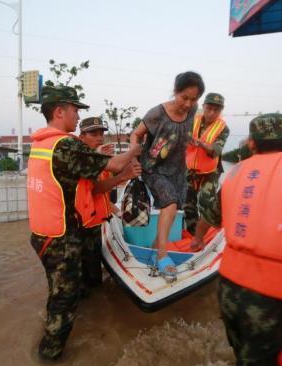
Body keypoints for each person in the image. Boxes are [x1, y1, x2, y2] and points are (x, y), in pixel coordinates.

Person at [192, 113, 282, 365]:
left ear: (251, 143)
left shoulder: (233, 173)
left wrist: (197, 240)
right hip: (269, 300)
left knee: (242, 354)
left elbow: (208, 218)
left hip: (228, 289)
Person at [27, 86, 141, 361]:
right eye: (76, 110)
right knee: (64, 300)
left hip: (44, 233)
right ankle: (48, 355)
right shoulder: (64, 144)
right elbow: (113, 165)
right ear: (59, 111)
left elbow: (95, 183)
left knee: (65, 292)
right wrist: (136, 147)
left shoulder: (41, 143)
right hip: (61, 238)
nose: (78, 116)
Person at [130, 71, 205, 277]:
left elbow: (182, 132)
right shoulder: (157, 113)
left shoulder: (193, 110)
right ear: (175, 92)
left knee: (172, 211)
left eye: (194, 99)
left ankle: (155, 247)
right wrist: (134, 158)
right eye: (184, 98)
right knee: (170, 202)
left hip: (178, 170)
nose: (188, 104)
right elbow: (135, 134)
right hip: (154, 168)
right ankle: (163, 255)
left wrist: (191, 139)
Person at [77, 117, 142, 291]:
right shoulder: (82, 160)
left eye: (101, 134)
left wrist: (118, 213)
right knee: (87, 279)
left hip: (97, 223)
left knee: (94, 273)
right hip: (84, 227)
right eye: (93, 134)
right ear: (82, 137)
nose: (99, 137)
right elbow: (95, 190)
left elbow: (104, 196)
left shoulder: (100, 159)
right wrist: (122, 175)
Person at [184, 92, 230, 236]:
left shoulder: (223, 128)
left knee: (206, 202)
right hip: (190, 169)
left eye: (216, 110)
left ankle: (206, 235)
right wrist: (187, 139)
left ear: (220, 111)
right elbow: (184, 137)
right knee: (187, 204)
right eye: (209, 108)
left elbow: (216, 150)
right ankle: (192, 235)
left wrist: (202, 144)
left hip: (211, 172)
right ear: (203, 106)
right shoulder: (193, 121)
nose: (211, 113)